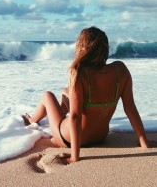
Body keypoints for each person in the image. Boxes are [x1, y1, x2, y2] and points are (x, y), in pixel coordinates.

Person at [22, 26, 149, 163]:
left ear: (82, 48)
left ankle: (31, 120)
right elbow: (130, 109)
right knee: (67, 92)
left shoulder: (79, 72)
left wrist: (74, 157)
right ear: (106, 48)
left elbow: (76, 116)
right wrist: (144, 143)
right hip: (100, 136)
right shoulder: (120, 70)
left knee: (47, 96)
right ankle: (61, 112)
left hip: (69, 139)